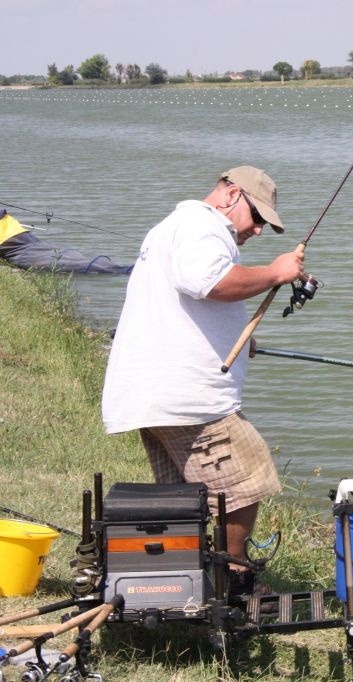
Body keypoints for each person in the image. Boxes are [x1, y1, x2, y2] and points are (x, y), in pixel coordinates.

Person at [101, 166, 304, 595]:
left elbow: (189, 297)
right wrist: (274, 273)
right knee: (246, 480)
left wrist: (233, 333)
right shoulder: (202, 225)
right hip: (187, 397)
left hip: (158, 391)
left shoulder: (179, 226)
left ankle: (184, 580)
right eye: (259, 217)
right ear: (232, 194)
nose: (260, 230)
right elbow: (208, 282)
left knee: (183, 498)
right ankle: (234, 578)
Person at [0, 208, 133, 275]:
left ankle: (128, 271)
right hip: (19, 234)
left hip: (14, 244)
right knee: (65, 258)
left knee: (68, 263)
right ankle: (129, 270)